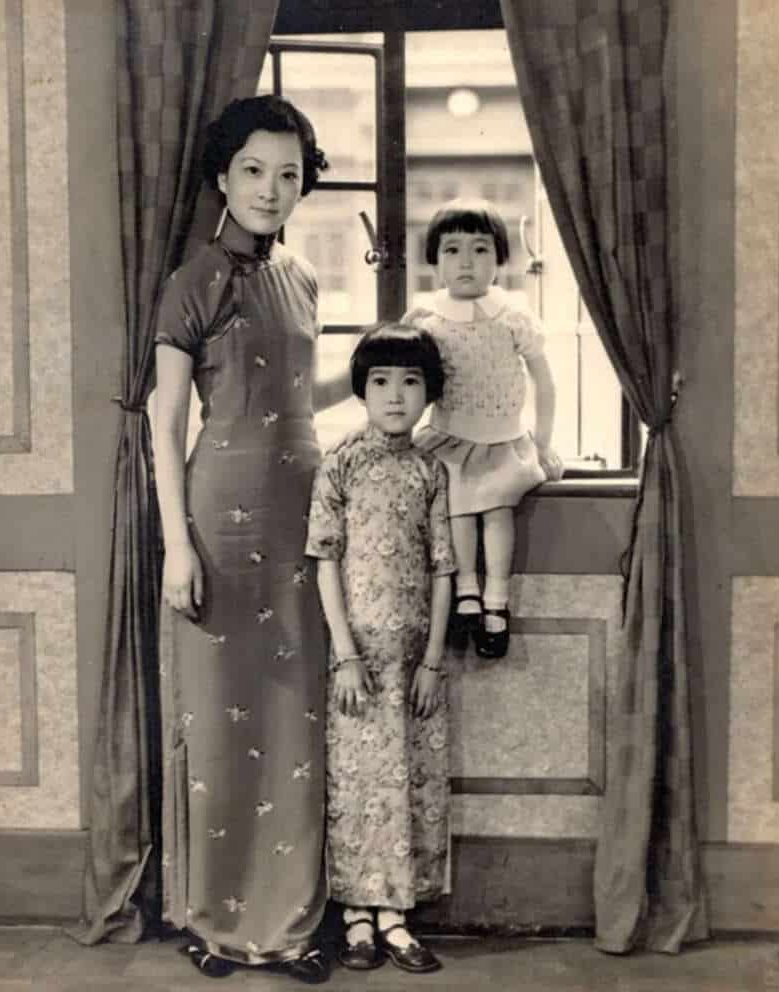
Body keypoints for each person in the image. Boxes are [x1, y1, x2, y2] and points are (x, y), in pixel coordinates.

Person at [153, 95, 351, 983]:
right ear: (221, 179)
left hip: (302, 517)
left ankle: (292, 925)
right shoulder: (193, 280)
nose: (273, 189)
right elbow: (162, 428)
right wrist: (176, 546)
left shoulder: (303, 279)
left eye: (289, 172)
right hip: (218, 521)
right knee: (220, 722)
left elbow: (304, 399)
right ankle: (214, 922)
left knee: (294, 718)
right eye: (254, 171)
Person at [305, 324, 456, 975]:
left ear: (428, 393)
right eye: (381, 381)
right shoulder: (339, 463)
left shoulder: (431, 470)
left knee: (407, 784)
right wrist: (344, 654)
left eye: (411, 381)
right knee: (355, 786)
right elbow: (324, 563)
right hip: (355, 661)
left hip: (412, 662)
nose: (395, 395)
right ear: (362, 391)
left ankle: (396, 918)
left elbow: (444, 569)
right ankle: (356, 918)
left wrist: (431, 662)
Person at [403, 198, 563, 660]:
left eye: (480, 249)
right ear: (435, 259)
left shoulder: (512, 317)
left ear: (499, 259)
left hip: (503, 439)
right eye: (453, 250)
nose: (467, 262)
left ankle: (497, 600)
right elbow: (408, 382)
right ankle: (466, 590)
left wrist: (545, 443)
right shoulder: (426, 320)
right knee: (455, 506)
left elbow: (545, 383)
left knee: (496, 510)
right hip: (449, 437)